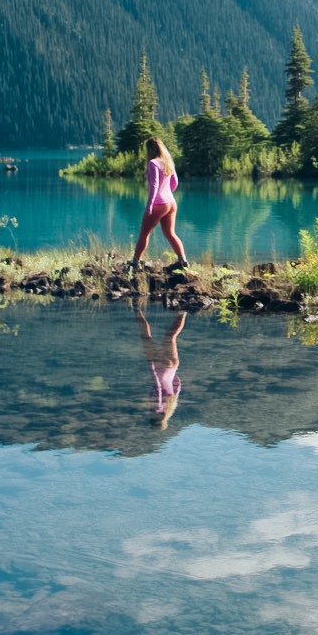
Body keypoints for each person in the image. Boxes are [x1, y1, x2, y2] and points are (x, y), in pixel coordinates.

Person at [129, 135, 188, 273]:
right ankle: (183, 260)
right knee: (170, 233)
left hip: (159, 203)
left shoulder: (153, 163)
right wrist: (167, 193)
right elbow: (175, 183)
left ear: (150, 149)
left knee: (144, 234)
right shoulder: (167, 162)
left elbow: (154, 185)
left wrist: (150, 205)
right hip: (171, 202)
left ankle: (134, 263)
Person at [135, 299, 186, 429]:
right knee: (146, 337)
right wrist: (153, 368)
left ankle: (183, 311)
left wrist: (173, 373)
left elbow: (177, 387)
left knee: (171, 336)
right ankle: (136, 309)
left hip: (172, 367)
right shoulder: (157, 408)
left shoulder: (170, 408)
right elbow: (158, 388)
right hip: (160, 367)